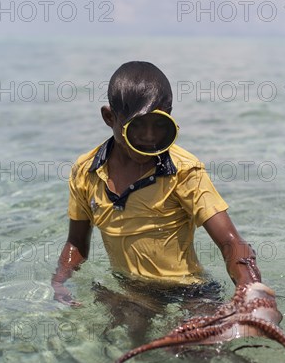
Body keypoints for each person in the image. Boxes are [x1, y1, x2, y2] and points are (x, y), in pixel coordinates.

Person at [52, 61, 261, 308]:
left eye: (160, 125)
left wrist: (250, 289)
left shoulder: (184, 170)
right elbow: (76, 243)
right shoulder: (86, 171)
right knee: (124, 340)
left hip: (190, 291)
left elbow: (231, 242)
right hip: (130, 290)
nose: (150, 137)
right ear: (109, 117)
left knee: (203, 345)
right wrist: (60, 283)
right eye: (138, 125)